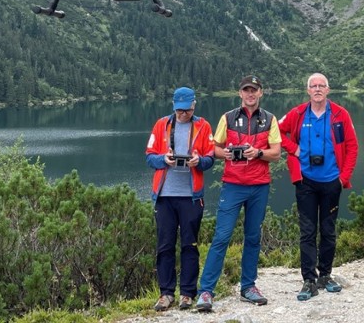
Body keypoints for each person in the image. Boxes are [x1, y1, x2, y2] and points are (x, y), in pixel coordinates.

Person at [196, 75, 282, 312]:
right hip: (233, 185)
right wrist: (232, 153)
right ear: (240, 94)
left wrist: (258, 153)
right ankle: (206, 291)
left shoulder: (270, 120)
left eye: (254, 90)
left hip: (259, 186)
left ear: (261, 93)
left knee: (253, 237)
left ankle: (248, 287)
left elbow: (276, 153)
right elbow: (213, 149)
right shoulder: (228, 117)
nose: (250, 94)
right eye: (246, 90)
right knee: (222, 236)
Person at [278, 73, 358, 301]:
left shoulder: (341, 115)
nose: (317, 89)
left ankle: (325, 275)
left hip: (332, 181)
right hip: (306, 182)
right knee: (307, 231)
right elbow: (277, 130)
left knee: (329, 230)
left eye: (321, 85)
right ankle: (309, 280)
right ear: (307, 90)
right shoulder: (298, 113)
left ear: (328, 89)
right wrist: (293, 148)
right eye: (313, 86)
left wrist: (343, 178)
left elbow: (352, 147)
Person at [145, 87, 215, 311]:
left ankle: (187, 293)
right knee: (164, 246)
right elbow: (149, 157)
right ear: (173, 106)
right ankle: (166, 294)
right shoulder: (161, 124)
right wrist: (164, 159)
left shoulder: (203, 126)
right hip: (165, 196)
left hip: (191, 197)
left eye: (186, 110)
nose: (183, 114)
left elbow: (211, 158)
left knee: (189, 245)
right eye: (179, 110)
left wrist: (199, 161)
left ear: (194, 105)